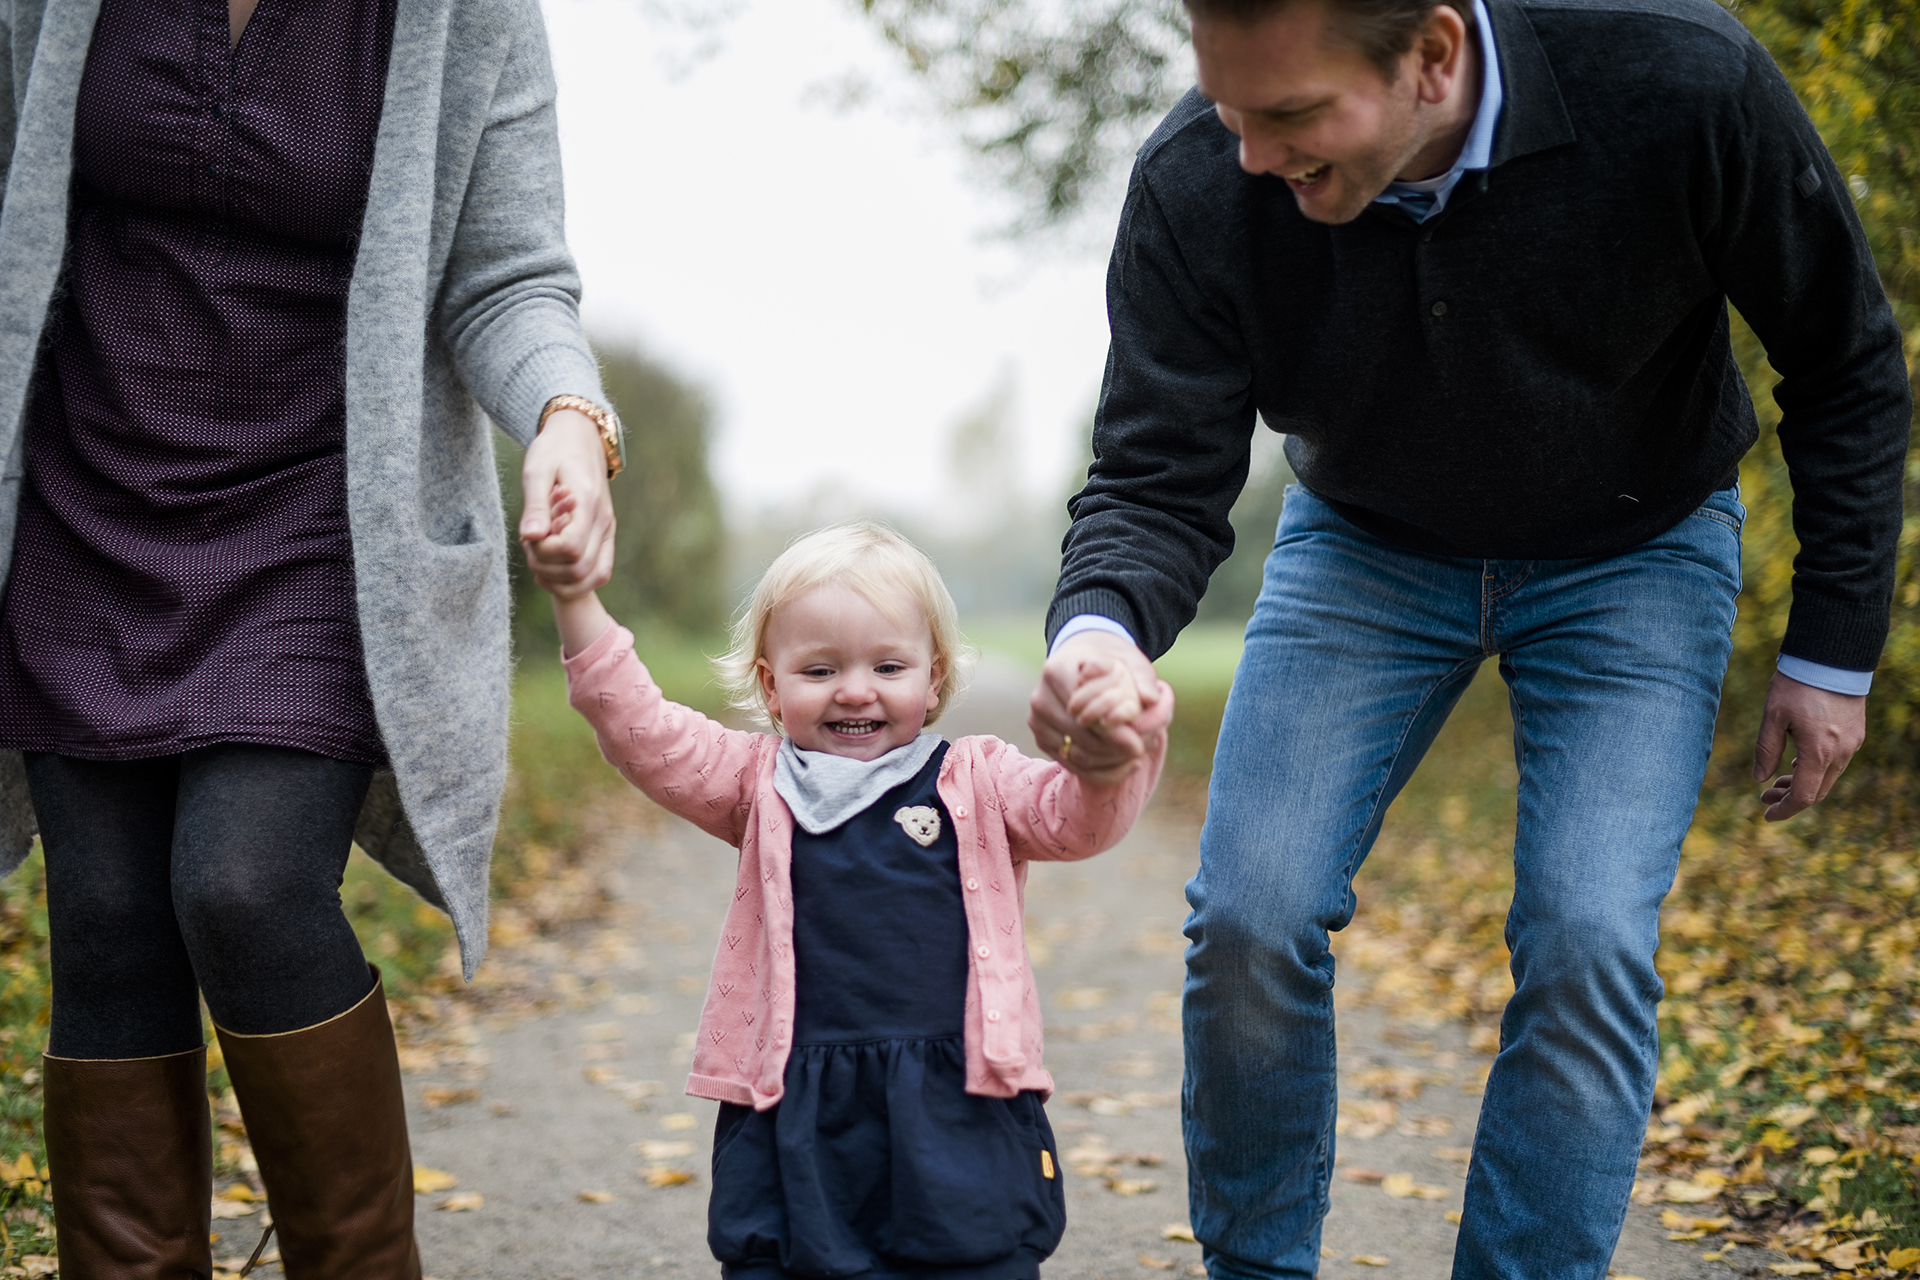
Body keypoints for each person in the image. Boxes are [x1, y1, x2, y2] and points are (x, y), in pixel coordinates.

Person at [1023, 0, 1911, 1274]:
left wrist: (1832, 646)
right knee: (1250, 913)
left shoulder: (1682, 81)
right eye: (1228, 108)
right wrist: (1101, 631)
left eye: (1288, 116)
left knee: (1588, 933)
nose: (1252, 156)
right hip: (1365, 545)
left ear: (1434, 55)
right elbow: (1156, 473)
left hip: (1639, 546)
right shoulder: (1200, 177)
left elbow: (1844, 357)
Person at [0, 0, 622, 1273]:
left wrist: (567, 414)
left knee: (246, 884)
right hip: (84, 499)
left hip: (321, 516)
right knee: (108, 919)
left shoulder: (466, 17)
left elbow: (505, 272)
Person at [535, 517, 1168, 1280]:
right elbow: (644, 730)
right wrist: (576, 599)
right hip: (795, 1101)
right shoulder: (754, 782)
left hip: (956, 1097)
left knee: (978, 1259)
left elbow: (1074, 820)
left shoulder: (979, 780)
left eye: (889, 665)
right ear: (771, 685)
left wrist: (1111, 758)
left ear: (933, 677)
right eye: (820, 669)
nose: (856, 689)